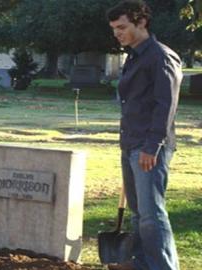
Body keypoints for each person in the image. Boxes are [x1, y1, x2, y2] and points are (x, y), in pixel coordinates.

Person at [106, 1, 182, 270]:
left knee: (152, 214)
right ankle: (141, 263)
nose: (117, 33)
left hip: (150, 147)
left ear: (142, 22)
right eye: (114, 28)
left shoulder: (161, 57)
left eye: (122, 27)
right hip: (131, 143)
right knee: (139, 214)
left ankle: (163, 267)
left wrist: (152, 146)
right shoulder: (134, 56)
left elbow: (166, 105)